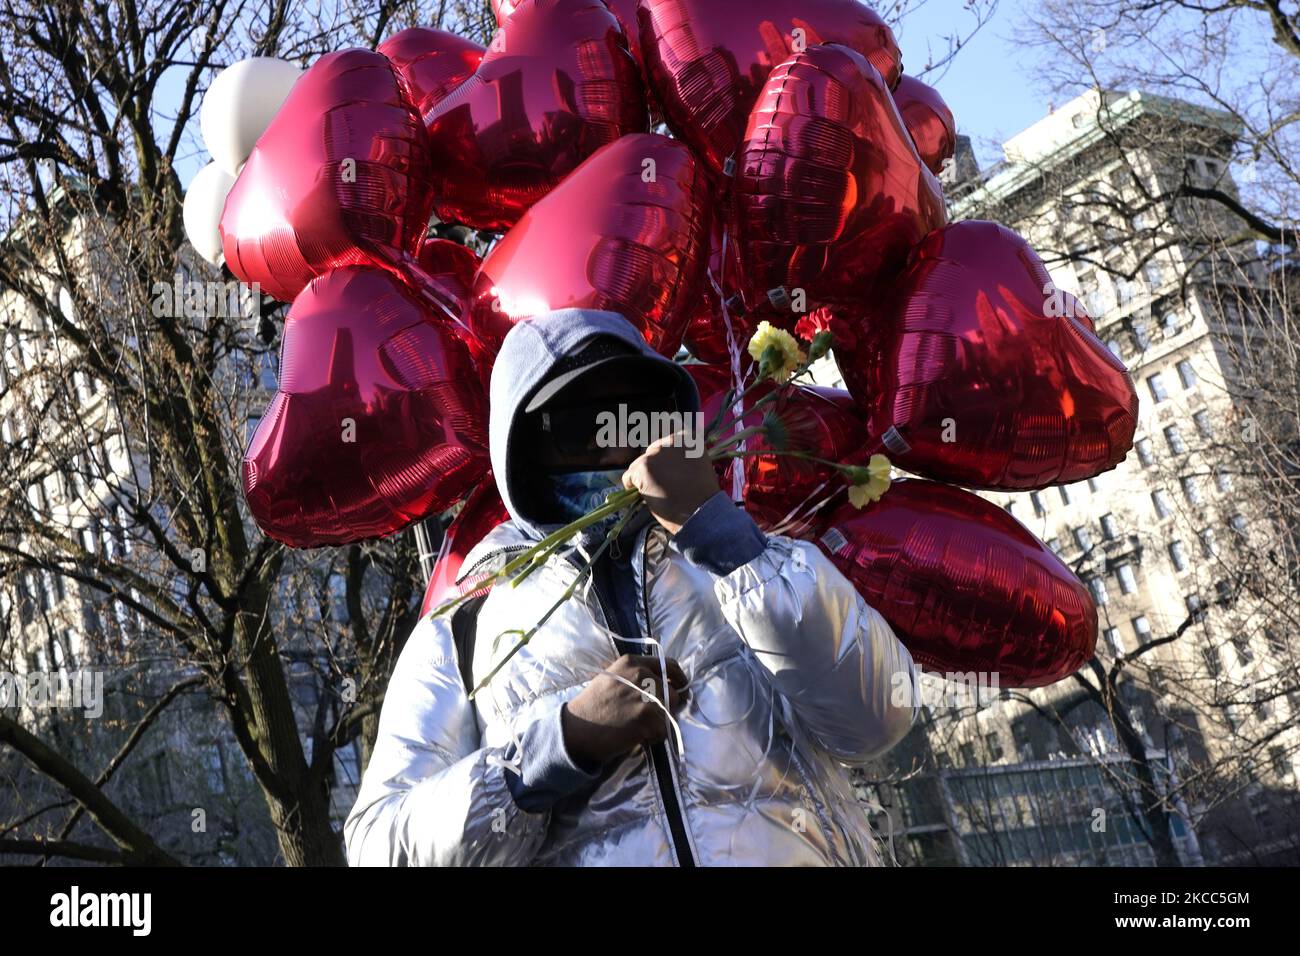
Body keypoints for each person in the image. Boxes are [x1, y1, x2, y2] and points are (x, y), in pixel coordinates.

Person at [345, 308, 919, 866]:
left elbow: (879, 717)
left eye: (639, 417)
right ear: (522, 449)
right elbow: (379, 845)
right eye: (581, 428)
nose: (616, 447)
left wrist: (725, 540)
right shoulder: (468, 625)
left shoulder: (758, 559)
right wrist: (561, 743)